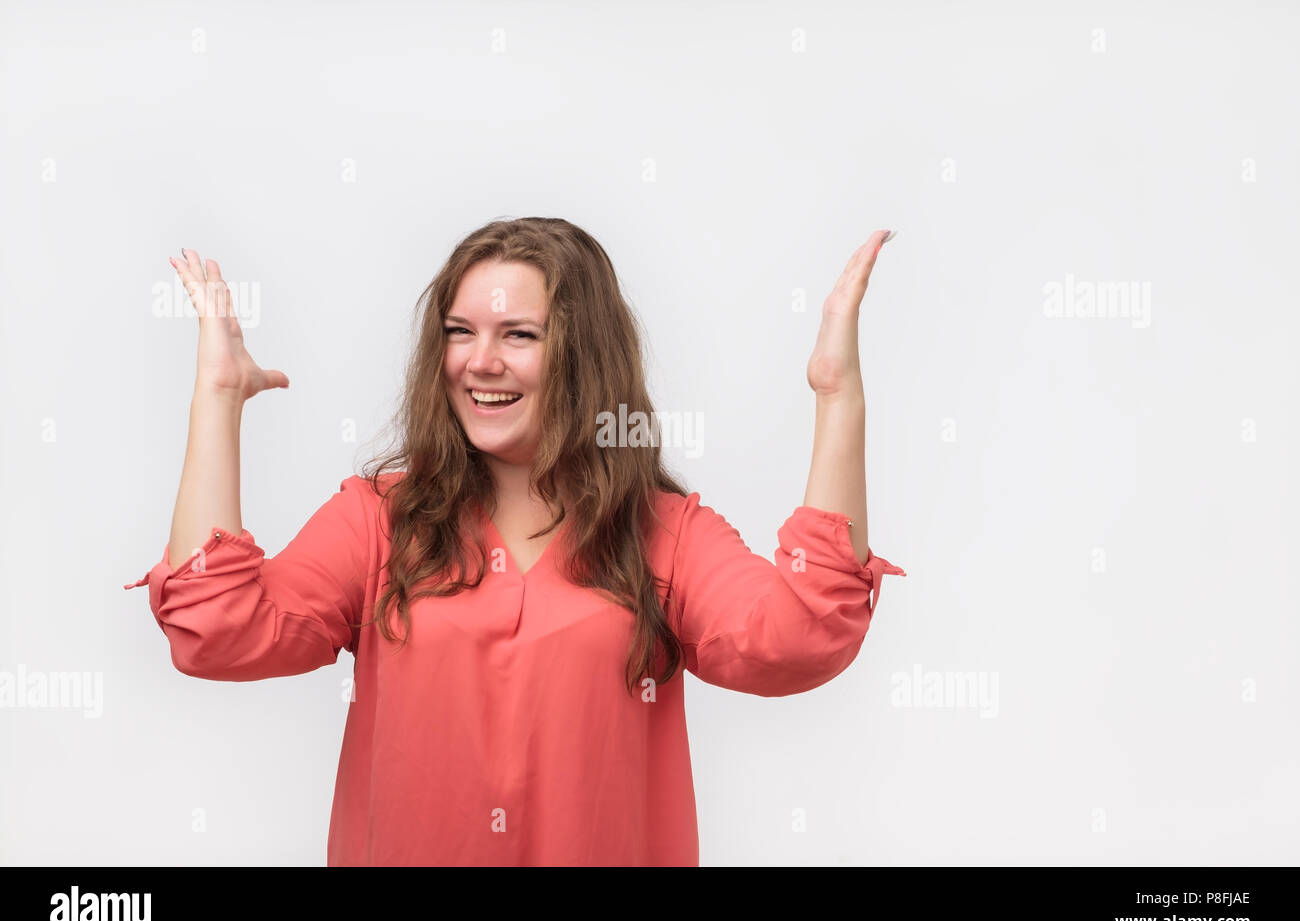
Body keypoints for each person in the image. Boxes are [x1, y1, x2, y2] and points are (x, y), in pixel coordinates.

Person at [124, 216, 906, 866]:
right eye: (460, 332)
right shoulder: (378, 522)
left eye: (518, 334)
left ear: (584, 356)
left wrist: (838, 400)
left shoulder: (664, 536)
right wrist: (218, 398)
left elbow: (800, 637)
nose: (479, 361)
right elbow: (214, 630)